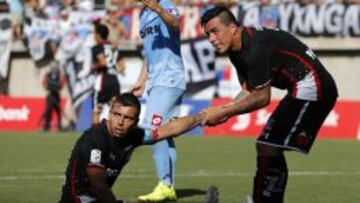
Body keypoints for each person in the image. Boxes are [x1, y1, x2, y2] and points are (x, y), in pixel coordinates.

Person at [200, 6, 338, 203]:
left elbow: (261, 97)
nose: (211, 39)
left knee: (268, 145)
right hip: (302, 87)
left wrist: (224, 110)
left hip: (314, 86)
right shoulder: (236, 51)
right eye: (207, 34)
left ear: (233, 28)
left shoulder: (254, 46)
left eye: (215, 31)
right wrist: (224, 112)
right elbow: (248, 91)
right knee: (267, 146)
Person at [59, 93, 205, 203]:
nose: (120, 122)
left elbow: (169, 129)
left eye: (127, 118)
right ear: (110, 113)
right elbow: (98, 184)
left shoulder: (134, 136)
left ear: (136, 121)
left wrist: (200, 118)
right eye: (117, 115)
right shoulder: (94, 139)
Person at [132, 0, 186, 201]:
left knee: (151, 129)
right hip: (156, 81)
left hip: (170, 77)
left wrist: (158, 8)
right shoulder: (142, 14)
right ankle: (168, 187)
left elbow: (174, 24)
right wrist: (141, 80)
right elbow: (148, 53)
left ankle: (165, 184)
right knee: (165, 133)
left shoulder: (164, 4)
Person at [92, 23, 126, 124]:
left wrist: (93, 67)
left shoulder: (98, 47)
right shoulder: (113, 47)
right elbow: (122, 66)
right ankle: (113, 136)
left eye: (94, 34)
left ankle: (95, 137)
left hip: (103, 80)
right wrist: (115, 69)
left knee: (96, 109)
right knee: (114, 109)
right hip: (114, 80)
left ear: (98, 35)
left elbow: (103, 62)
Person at [42, 62, 65, 131]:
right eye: (53, 67)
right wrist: (47, 86)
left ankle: (59, 126)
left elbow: (62, 84)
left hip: (56, 95)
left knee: (58, 111)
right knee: (48, 110)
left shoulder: (59, 74)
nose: (54, 68)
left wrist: (57, 85)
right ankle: (46, 126)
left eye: (55, 67)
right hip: (50, 95)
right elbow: (44, 83)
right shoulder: (48, 74)